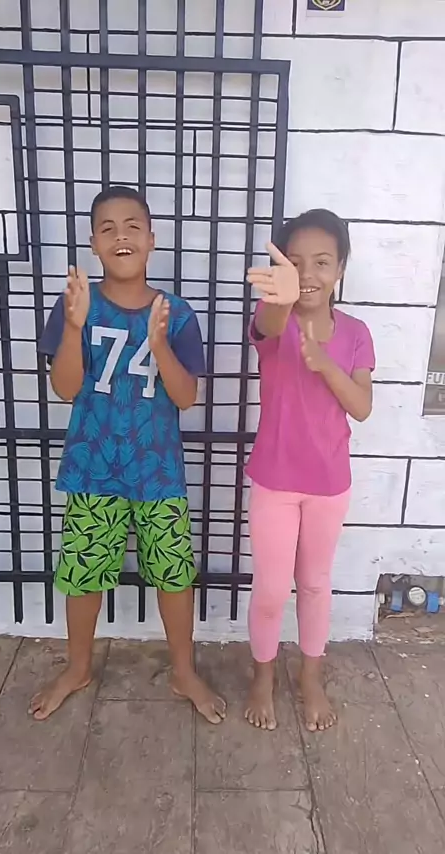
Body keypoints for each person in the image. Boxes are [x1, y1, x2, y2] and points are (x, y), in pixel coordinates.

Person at [30, 185, 226, 725]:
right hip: (92, 470)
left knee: (174, 575)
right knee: (83, 576)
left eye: (133, 225)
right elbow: (65, 388)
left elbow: (186, 397)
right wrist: (74, 327)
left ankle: (183, 671)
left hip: (157, 472)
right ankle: (77, 667)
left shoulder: (176, 313)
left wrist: (159, 345)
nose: (121, 236)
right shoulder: (77, 304)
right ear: (94, 243)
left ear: (152, 239)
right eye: (108, 228)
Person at [245, 209, 375, 733]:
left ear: (340, 269)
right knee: (272, 590)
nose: (308, 273)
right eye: (295, 262)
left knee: (316, 584)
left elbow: (361, 407)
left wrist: (324, 362)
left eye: (322, 262)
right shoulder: (274, 317)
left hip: (328, 485)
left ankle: (310, 678)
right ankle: (262, 677)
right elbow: (267, 325)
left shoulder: (357, 333)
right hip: (274, 481)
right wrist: (278, 299)